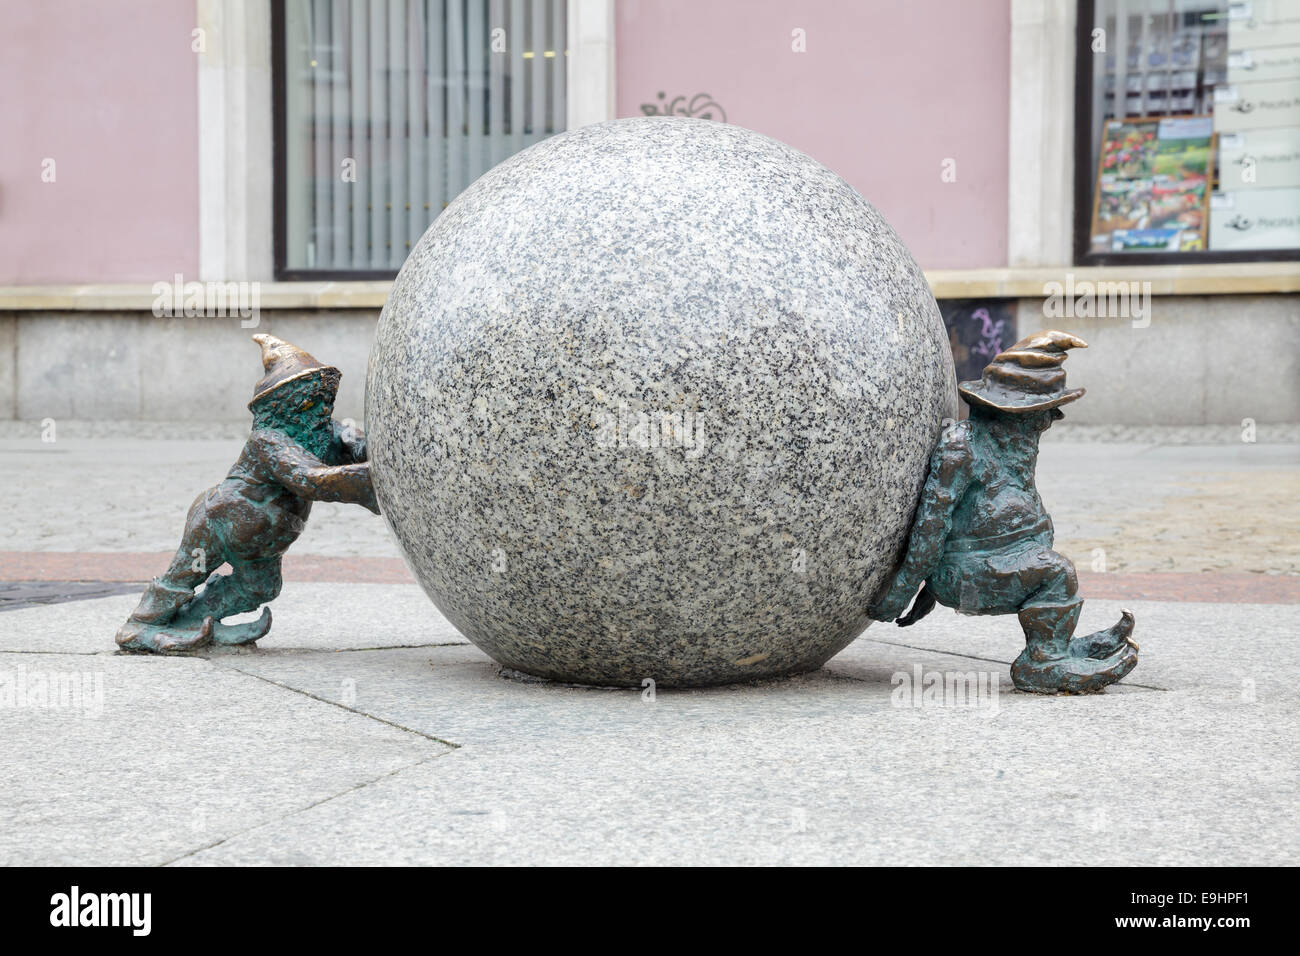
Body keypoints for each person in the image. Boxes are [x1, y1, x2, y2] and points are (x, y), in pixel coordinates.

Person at [868, 330, 1138, 693]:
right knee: (1057, 574)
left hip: (991, 559)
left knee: (1054, 572)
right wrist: (906, 589)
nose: (1053, 418)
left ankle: (1056, 644)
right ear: (1013, 412)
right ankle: (1041, 663)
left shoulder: (1012, 447)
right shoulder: (963, 446)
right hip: (966, 572)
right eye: (1044, 409)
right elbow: (933, 522)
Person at [116, 335, 379, 653]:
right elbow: (311, 479)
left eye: (327, 396)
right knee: (184, 575)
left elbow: (365, 448)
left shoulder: (329, 432)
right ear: (286, 402)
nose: (323, 405)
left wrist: (384, 453)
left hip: (262, 541)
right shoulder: (268, 440)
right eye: (313, 398)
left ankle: (195, 620)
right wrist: (378, 479)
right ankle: (140, 627)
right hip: (221, 521)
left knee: (260, 587)